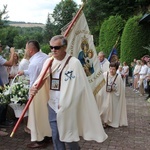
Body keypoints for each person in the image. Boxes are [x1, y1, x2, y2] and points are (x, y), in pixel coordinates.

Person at [30, 35, 108, 150]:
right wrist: (35, 87)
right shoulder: (49, 61)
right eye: (51, 47)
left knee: (69, 136)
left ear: (65, 47)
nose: (53, 50)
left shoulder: (74, 63)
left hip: (68, 107)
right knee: (55, 135)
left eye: (56, 47)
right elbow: (43, 79)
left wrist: (68, 101)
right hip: (52, 104)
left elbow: (80, 87)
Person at [18, 40, 52, 148]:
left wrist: (30, 95)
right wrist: (24, 72)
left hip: (37, 94)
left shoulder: (33, 63)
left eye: (26, 48)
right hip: (47, 92)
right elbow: (39, 72)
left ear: (31, 50)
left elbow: (34, 81)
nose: (25, 50)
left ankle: (40, 140)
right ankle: (48, 136)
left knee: (37, 117)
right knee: (45, 116)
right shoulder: (45, 57)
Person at [97, 62, 128, 128]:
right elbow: (100, 85)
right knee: (104, 108)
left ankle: (108, 122)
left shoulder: (118, 77)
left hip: (113, 97)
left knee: (111, 109)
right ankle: (104, 121)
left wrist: (114, 88)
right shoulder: (105, 74)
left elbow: (120, 90)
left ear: (116, 69)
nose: (111, 70)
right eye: (110, 68)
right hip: (105, 95)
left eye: (113, 69)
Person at [0, 43, 15, 128]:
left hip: (4, 82)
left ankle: (3, 120)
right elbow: (10, 63)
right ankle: (2, 122)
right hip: (2, 84)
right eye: (0, 46)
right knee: (2, 103)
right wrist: (12, 53)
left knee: (4, 103)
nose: (1, 47)